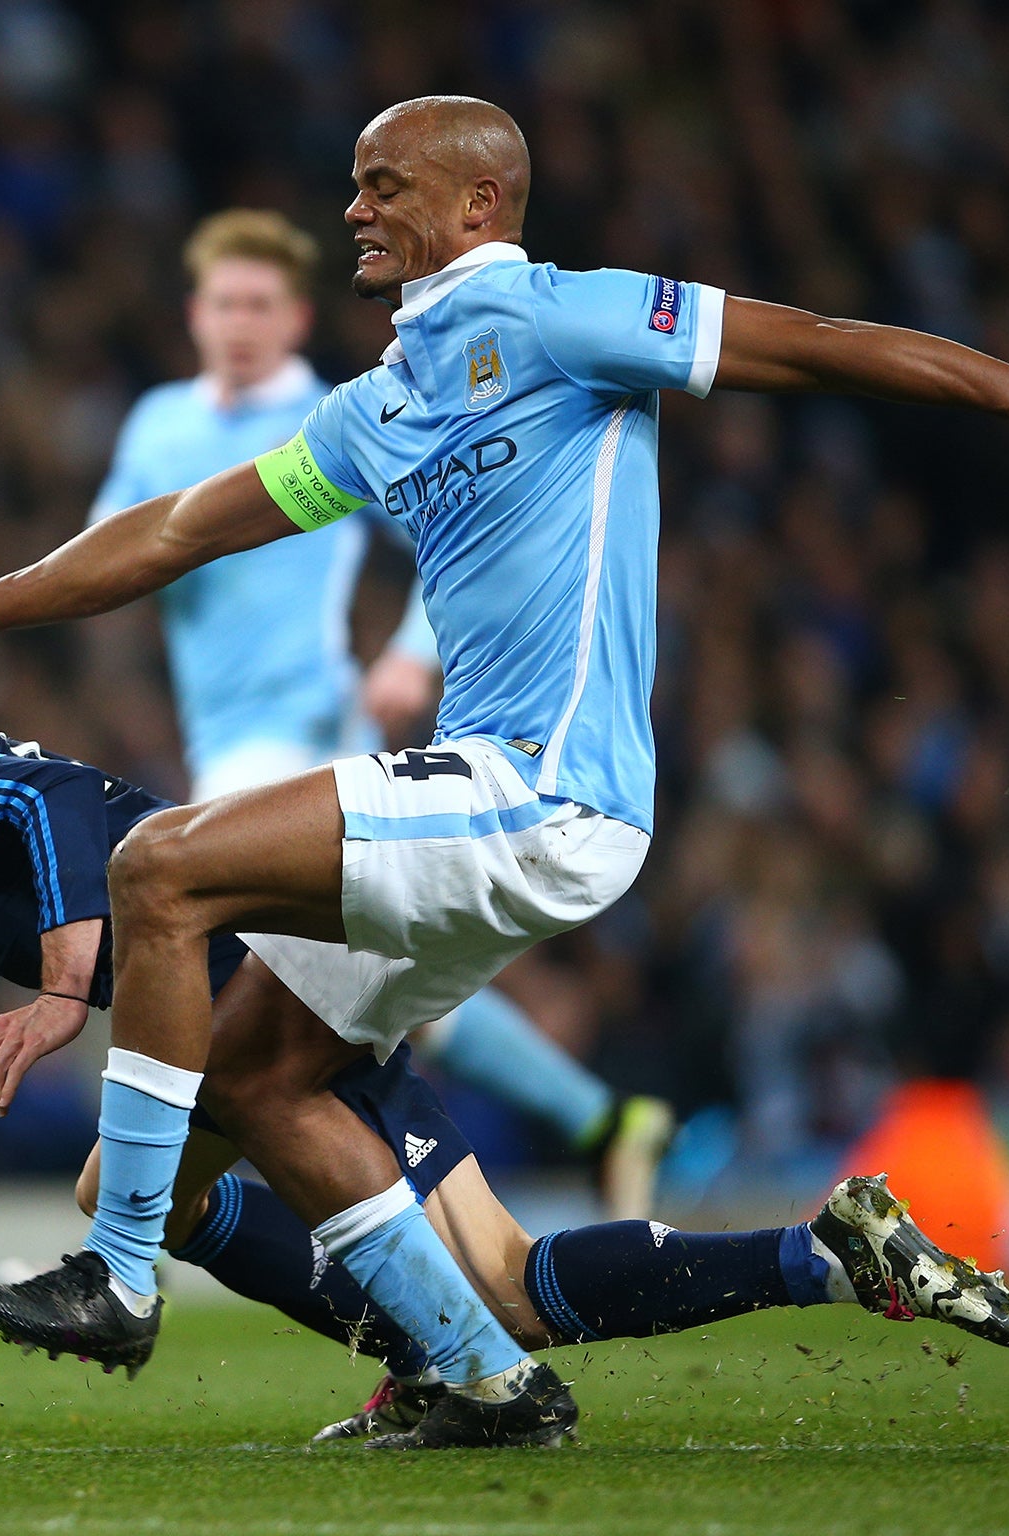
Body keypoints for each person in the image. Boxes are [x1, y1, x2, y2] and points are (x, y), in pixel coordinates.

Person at [0, 95, 1009, 1447]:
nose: (357, 210)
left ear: (479, 206)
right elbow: (172, 533)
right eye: (354, 185)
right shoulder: (382, 405)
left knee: (158, 866)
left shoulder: (569, 318)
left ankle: (123, 1273)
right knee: (260, 1085)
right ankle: (478, 1378)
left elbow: (819, 345)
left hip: (543, 792)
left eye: (386, 186)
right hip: (488, 802)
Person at [0, 604, 1009, 1448]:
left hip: (279, 949)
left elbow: (63, 807)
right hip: (307, 962)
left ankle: (444, 1374)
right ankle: (832, 1256)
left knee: (136, 1187)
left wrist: (57, 983)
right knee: (508, 1283)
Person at [92, 208, 672, 1219]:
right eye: (224, 303)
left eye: (259, 305)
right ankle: (594, 1120)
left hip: (303, 730)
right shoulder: (158, 425)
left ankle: (176, 1214)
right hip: (217, 733)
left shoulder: (343, 410)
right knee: (363, 987)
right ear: (194, 314)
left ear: (293, 316)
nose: (239, 322)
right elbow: (119, 538)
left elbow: (451, 535)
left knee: (215, 940)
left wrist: (409, 652)